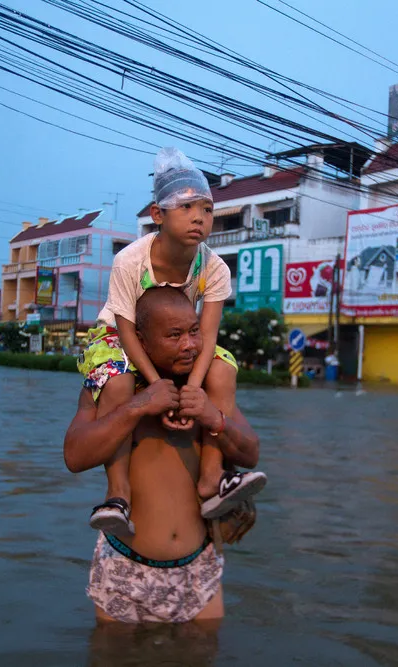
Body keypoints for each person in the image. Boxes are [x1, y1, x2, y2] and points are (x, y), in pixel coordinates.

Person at [76, 148, 266, 538]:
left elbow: (208, 334)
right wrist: (154, 386)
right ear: (158, 215)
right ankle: (118, 493)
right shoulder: (131, 260)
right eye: (187, 208)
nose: (200, 218)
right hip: (121, 332)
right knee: (116, 380)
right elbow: (127, 329)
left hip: (179, 334)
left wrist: (195, 393)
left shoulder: (214, 267)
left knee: (224, 368)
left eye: (208, 210)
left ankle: (213, 479)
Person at [64, 286, 260, 624]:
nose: (189, 344)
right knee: (113, 656)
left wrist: (213, 418)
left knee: (201, 655)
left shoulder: (205, 386)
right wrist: (140, 406)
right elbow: (75, 456)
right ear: (140, 340)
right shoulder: (117, 385)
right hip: (125, 567)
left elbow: (251, 453)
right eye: (173, 335)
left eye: (194, 331)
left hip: (199, 568)